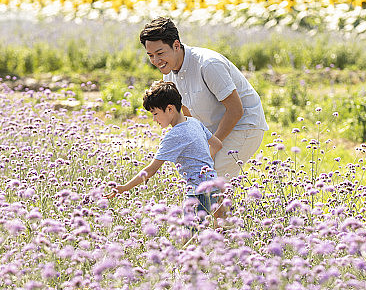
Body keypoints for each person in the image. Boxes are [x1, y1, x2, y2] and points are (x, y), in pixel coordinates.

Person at [139, 17, 268, 180]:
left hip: (245, 125)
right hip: (214, 129)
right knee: (201, 177)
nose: (156, 61)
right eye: (150, 55)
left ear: (176, 45)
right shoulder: (169, 74)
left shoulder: (208, 64)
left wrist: (210, 146)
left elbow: (236, 110)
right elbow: (185, 115)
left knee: (212, 179)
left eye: (160, 53)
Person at [106, 80, 224, 221]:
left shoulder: (174, 135)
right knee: (211, 234)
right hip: (214, 186)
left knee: (191, 237)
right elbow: (217, 145)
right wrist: (203, 162)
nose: (154, 119)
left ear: (170, 109)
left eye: (155, 113)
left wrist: (125, 188)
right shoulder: (194, 122)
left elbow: (151, 170)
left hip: (197, 192)